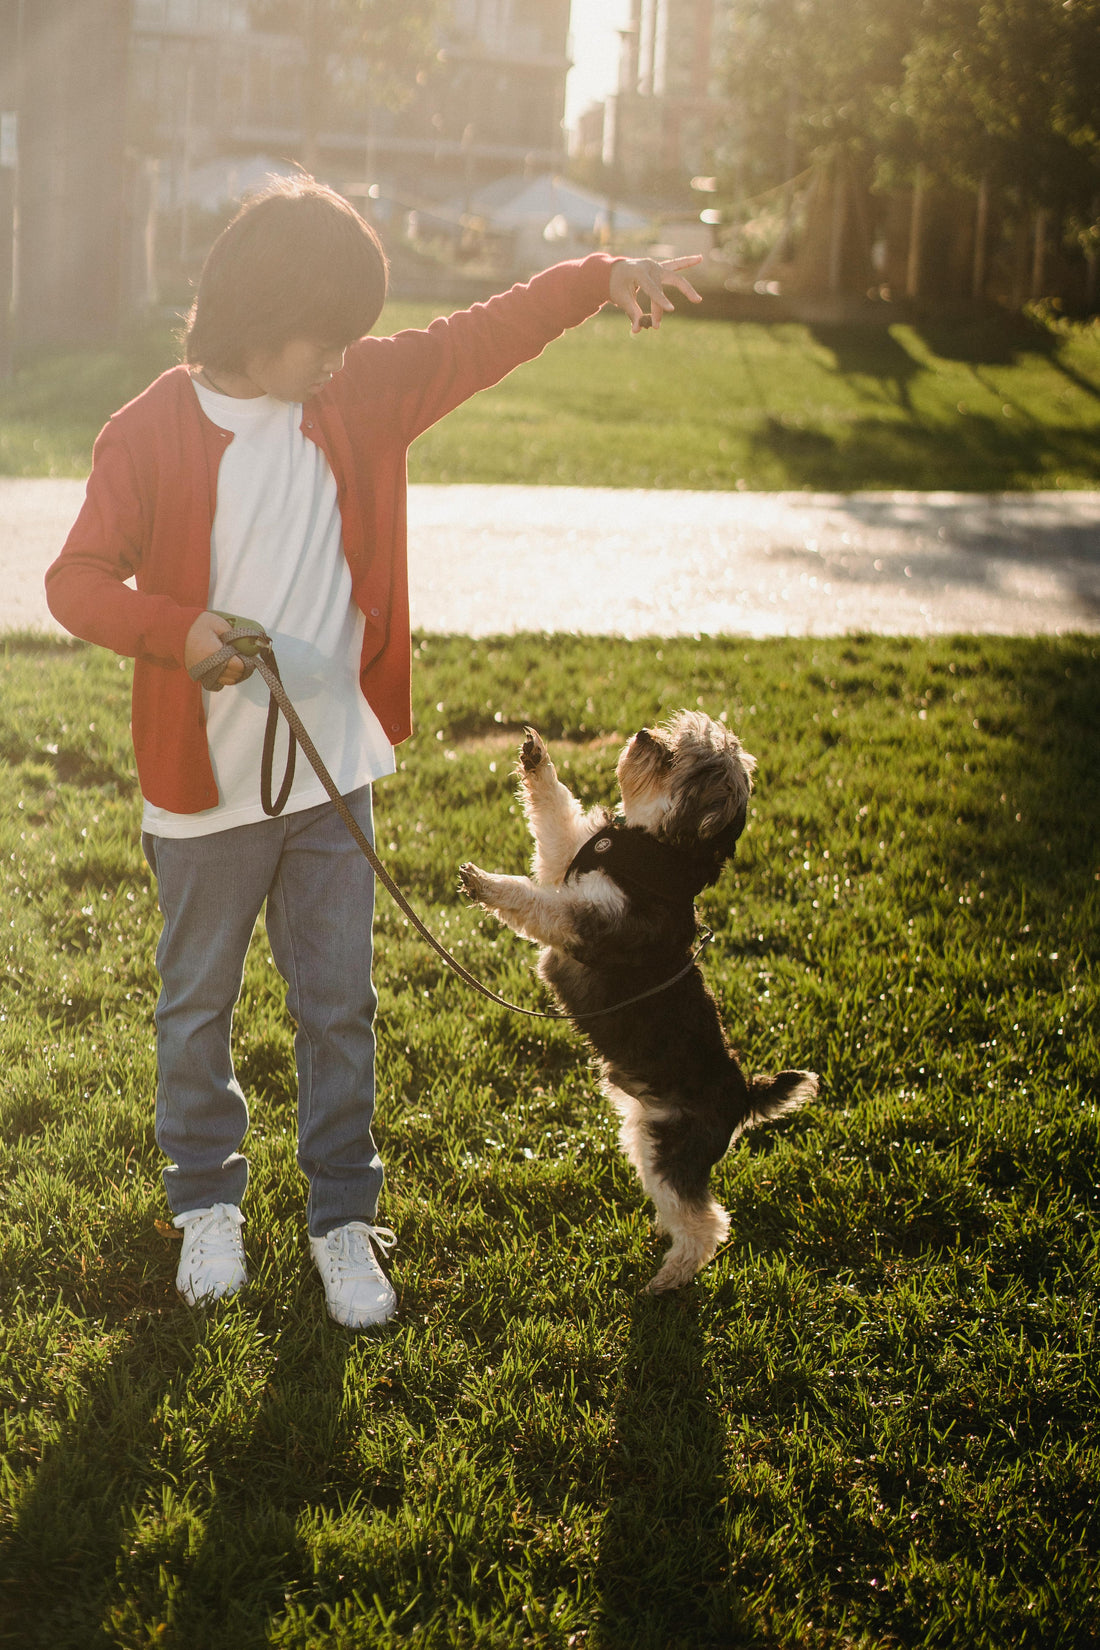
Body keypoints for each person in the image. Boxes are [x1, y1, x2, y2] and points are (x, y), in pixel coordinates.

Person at [45, 174, 702, 1329]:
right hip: (202, 799)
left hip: (330, 776)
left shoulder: (362, 396)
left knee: (336, 1005)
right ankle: (207, 1203)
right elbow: (75, 584)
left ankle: (343, 1218)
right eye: (325, 335)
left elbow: (487, 331)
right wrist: (179, 630)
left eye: (356, 337)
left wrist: (600, 278)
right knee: (195, 1008)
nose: (343, 358)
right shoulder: (146, 431)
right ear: (256, 315)